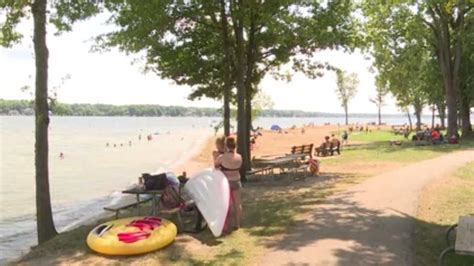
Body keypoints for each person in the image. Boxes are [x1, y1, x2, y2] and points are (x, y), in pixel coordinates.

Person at [215, 137, 243, 231]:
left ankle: (226, 225)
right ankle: (237, 223)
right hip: (236, 180)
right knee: (237, 204)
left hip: (225, 182)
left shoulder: (222, 158)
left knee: (226, 204)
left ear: (226, 145)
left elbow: (215, 166)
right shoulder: (239, 157)